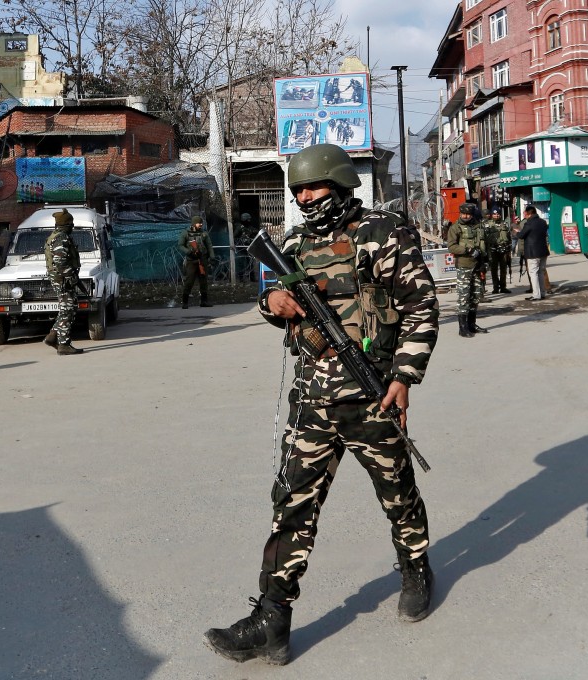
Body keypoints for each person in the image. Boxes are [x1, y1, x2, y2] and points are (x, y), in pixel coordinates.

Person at [204, 143, 439, 666]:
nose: (305, 197)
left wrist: (404, 376)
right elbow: (273, 304)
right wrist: (271, 304)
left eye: (313, 187)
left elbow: (421, 306)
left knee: (398, 494)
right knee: (291, 507)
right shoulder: (290, 244)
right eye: (298, 191)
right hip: (312, 402)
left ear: (339, 183)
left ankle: (416, 568)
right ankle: (272, 619)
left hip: (372, 397)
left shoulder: (383, 233)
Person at [42, 209, 83, 355]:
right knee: (67, 309)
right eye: (71, 224)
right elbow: (60, 262)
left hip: (59, 278)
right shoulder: (61, 238)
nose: (73, 226)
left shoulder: (55, 236)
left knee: (69, 307)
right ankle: (63, 344)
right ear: (66, 225)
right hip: (62, 279)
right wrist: (71, 276)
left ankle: (53, 336)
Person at [446, 203, 489, 337]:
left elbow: (485, 244)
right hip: (464, 266)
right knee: (464, 296)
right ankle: (463, 328)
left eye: (468, 214)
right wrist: (468, 250)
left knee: (476, 296)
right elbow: (451, 247)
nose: (465, 216)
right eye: (463, 214)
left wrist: (485, 261)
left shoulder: (478, 226)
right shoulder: (455, 228)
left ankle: (472, 324)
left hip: (478, 266)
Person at [177, 215, 214, 309]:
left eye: (201, 223)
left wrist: (212, 256)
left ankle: (204, 301)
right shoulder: (185, 233)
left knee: (203, 281)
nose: (201, 224)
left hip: (202, 260)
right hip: (191, 260)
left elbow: (209, 245)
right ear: (194, 223)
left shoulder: (204, 233)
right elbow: (180, 245)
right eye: (199, 223)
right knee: (189, 281)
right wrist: (188, 251)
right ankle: (185, 302)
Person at [517, 205, 550, 301]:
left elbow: (521, 235)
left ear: (529, 213)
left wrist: (516, 232)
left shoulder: (529, 223)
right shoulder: (543, 222)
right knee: (541, 272)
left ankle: (536, 294)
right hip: (543, 251)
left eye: (524, 213)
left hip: (532, 252)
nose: (524, 215)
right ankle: (542, 293)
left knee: (533, 273)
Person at [484, 208, 511, 294]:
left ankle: (503, 287)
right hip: (493, 250)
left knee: (504, 269)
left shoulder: (505, 224)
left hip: (503, 249)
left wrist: (509, 249)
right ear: (492, 215)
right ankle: (495, 287)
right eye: (495, 214)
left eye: (498, 214)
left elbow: (509, 236)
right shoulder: (487, 224)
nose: (497, 215)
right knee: (494, 269)